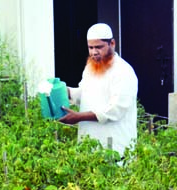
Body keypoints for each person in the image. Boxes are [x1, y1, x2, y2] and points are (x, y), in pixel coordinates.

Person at [59, 23, 138, 157]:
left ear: (112, 44)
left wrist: (79, 117)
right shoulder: (90, 68)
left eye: (99, 47)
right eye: (90, 47)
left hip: (115, 145)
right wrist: (63, 91)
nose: (94, 52)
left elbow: (115, 110)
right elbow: (84, 94)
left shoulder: (123, 71)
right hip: (89, 142)